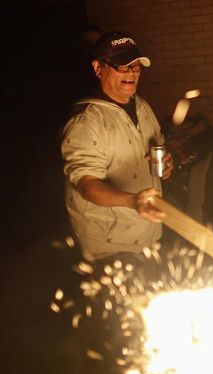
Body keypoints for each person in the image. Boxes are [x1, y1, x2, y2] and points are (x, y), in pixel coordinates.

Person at [61, 31, 173, 264]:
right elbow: (87, 184)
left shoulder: (143, 107)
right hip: (110, 244)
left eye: (136, 66)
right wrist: (133, 201)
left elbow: (157, 149)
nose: (131, 72)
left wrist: (167, 163)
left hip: (148, 234)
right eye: (123, 66)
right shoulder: (87, 120)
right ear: (98, 68)